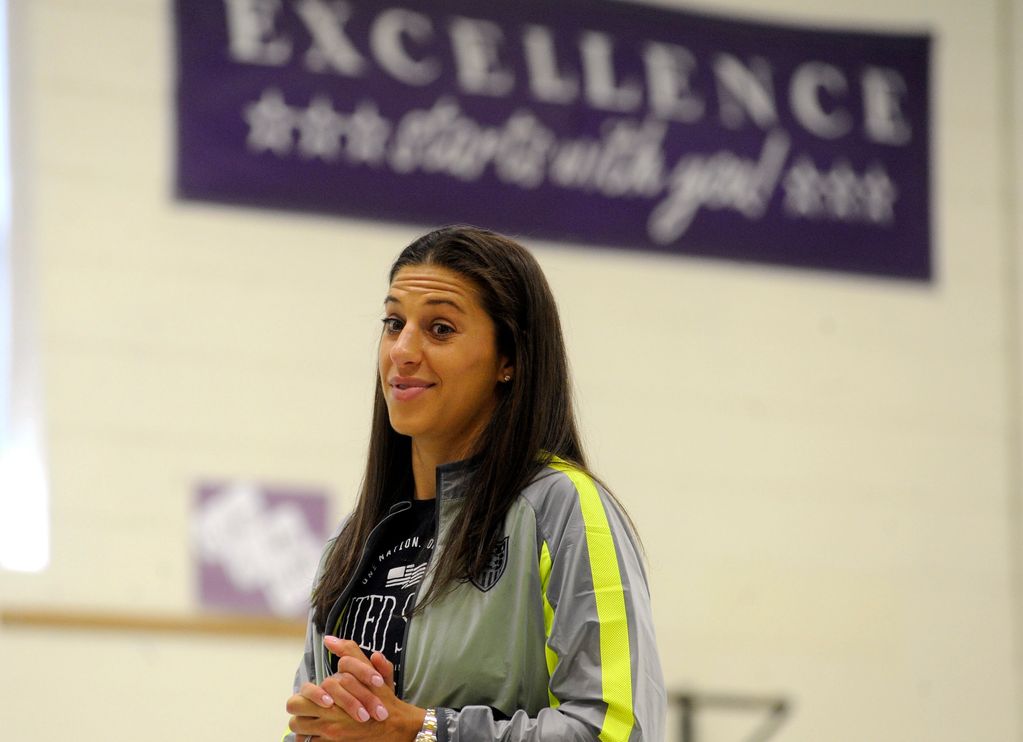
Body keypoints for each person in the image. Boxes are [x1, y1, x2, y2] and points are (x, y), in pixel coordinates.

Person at [285, 226, 665, 742]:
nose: (403, 350)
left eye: (440, 329)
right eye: (394, 322)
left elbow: (615, 729)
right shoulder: (352, 544)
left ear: (508, 360)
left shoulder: (561, 508)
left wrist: (420, 732)